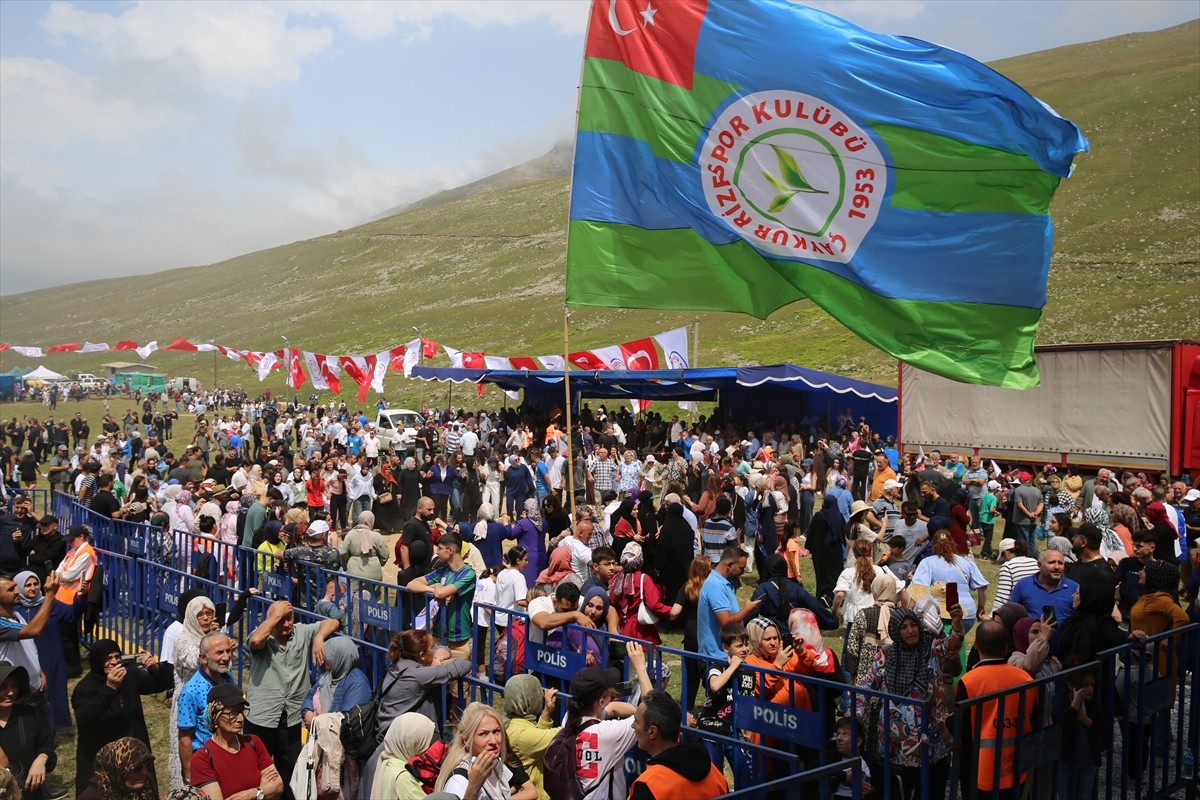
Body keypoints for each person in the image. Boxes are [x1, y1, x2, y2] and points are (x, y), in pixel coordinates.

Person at [856, 605, 964, 800]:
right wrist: (856, 715)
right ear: (896, 631)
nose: (910, 631)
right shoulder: (887, 654)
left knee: (931, 790)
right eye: (903, 627)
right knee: (900, 790)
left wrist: (956, 625)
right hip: (896, 741)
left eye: (913, 625)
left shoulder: (931, 648)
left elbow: (952, 647)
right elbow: (865, 686)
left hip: (931, 737)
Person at [244, 599, 340, 794]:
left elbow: (333, 621)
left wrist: (319, 636)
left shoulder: (301, 632)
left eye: (290, 619)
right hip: (262, 715)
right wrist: (275, 616)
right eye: (281, 619)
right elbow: (255, 642)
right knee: (254, 769)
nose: (286, 624)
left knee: (291, 770)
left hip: (291, 716)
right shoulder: (262, 635)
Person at [550, 644, 653, 800]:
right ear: (601, 701)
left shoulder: (569, 718)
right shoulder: (608, 733)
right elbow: (652, 710)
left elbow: (611, 709)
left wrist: (634, 709)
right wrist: (640, 668)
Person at [72, 639, 174, 794]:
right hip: (105, 756)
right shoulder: (85, 688)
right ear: (97, 661)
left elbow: (160, 683)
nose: (114, 662)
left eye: (117, 656)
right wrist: (109, 689)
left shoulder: (129, 676)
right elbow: (85, 719)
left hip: (133, 756)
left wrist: (155, 669)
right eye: (108, 658)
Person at [955, 621, 1039, 799]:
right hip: (1017, 765)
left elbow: (960, 729)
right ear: (1007, 646)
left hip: (979, 769)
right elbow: (1034, 720)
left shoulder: (969, 681)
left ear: (976, 645)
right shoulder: (1026, 679)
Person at [190, 684, 284, 800]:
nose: (241, 719)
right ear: (215, 716)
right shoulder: (203, 758)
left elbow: (278, 785)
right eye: (233, 713)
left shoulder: (253, 742)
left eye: (242, 712)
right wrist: (264, 789)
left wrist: (253, 793)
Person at [628, 690, 728, 800]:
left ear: (652, 732)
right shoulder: (714, 773)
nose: (633, 726)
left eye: (636, 721)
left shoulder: (648, 785)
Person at [375, 630, 472, 741]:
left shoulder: (399, 663)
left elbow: (445, 648)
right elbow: (464, 664)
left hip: (387, 730)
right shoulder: (420, 675)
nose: (434, 650)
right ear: (421, 655)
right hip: (398, 739)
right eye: (432, 648)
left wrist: (436, 658)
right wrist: (438, 664)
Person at [434, 702, 537, 800]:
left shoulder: (496, 763)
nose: (493, 741)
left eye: (496, 731)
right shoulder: (459, 781)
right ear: (467, 740)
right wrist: (473, 788)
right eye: (483, 734)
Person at [169, 594, 219, 790]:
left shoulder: (215, 637)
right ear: (191, 617)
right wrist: (211, 642)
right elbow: (193, 660)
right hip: (189, 698)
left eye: (209, 613)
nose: (206, 618)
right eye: (201, 615)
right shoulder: (183, 639)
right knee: (187, 741)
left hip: (213, 694)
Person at [176, 632, 238, 786]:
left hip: (230, 754)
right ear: (203, 658)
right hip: (206, 761)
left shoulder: (227, 677)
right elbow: (185, 737)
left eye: (228, 651)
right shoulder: (190, 691)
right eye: (219, 653)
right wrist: (190, 777)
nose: (226, 657)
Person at [406, 531, 477, 664]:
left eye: (439, 548)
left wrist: (439, 589)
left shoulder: (468, 574)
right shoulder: (443, 571)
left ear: (450, 551)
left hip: (459, 641)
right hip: (438, 637)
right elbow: (411, 584)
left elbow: (441, 594)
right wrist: (432, 588)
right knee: (436, 680)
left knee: (458, 683)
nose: (436, 552)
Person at [908, 527, 990, 629]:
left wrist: (910, 610)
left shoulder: (927, 562)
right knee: (958, 640)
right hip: (968, 614)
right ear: (952, 544)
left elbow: (918, 589)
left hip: (942, 613)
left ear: (933, 545)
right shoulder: (967, 562)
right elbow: (982, 587)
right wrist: (981, 608)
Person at [0, 660, 58, 800]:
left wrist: (41, 758)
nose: (11, 692)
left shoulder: (29, 715)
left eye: (14, 686)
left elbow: (47, 745)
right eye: (3, 687)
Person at [696, 546, 761, 662]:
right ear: (730, 565)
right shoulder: (716, 586)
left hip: (724, 656)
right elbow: (725, 622)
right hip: (716, 658)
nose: (742, 572)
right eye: (741, 568)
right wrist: (747, 610)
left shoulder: (722, 583)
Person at [502, 675, 559, 800]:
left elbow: (534, 743)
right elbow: (563, 734)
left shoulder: (509, 723)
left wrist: (546, 714)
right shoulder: (521, 734)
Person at [607, 542, 672, 645]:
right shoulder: (644, 579)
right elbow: (654, 605)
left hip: (619, 626)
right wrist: (670, 611)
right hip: (640, 629)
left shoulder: (616, 579)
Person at [669, 556, 711, 711]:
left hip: (692, 634)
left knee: (690, 674)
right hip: (708, 634)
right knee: (710, 671)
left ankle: (686, 707)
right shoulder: (713, 587)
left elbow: (674, 612)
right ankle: (712, 705)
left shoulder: (687, 587)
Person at [367, 712, 437, 800]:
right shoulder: (403, 777)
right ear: (412, 743)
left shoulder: (388, 762)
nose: (429, 748)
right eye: (426, 743)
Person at [1009, 548, 1080, 630]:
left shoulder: (1074, 588)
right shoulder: (1024, 585)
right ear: (1039, 565)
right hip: (1031, 642)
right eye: (1052, 562)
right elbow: (1012, 616)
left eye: (1060, 563)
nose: (1057, 567)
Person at [77, 737, 158, 800]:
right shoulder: (91, 797)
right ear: (118, 769)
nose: (145, 772)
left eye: (147, 765)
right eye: (137, 768)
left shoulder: (147, 782)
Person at [340, 510, 389, 583]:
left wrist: (349, 561)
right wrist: (378, 562)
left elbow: (343, 553)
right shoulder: (377, 536)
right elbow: (385, 555)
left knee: (354, 593)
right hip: (374, 573)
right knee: (373, 593)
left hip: (354, 572)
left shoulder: (350, 534)